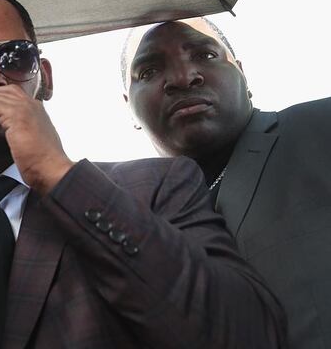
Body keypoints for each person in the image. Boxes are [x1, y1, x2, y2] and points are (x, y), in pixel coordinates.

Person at [0, 0, 287, 348]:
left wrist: (59, 174)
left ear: (45, 77)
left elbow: (248, 333)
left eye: (14, 57)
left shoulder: (156, 187)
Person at [122, 17, 331, 349]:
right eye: (148, 71)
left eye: (205, 55)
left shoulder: (320, 127)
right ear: (129, 107)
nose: (183, 77)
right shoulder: (130, 224)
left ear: (243, 74)